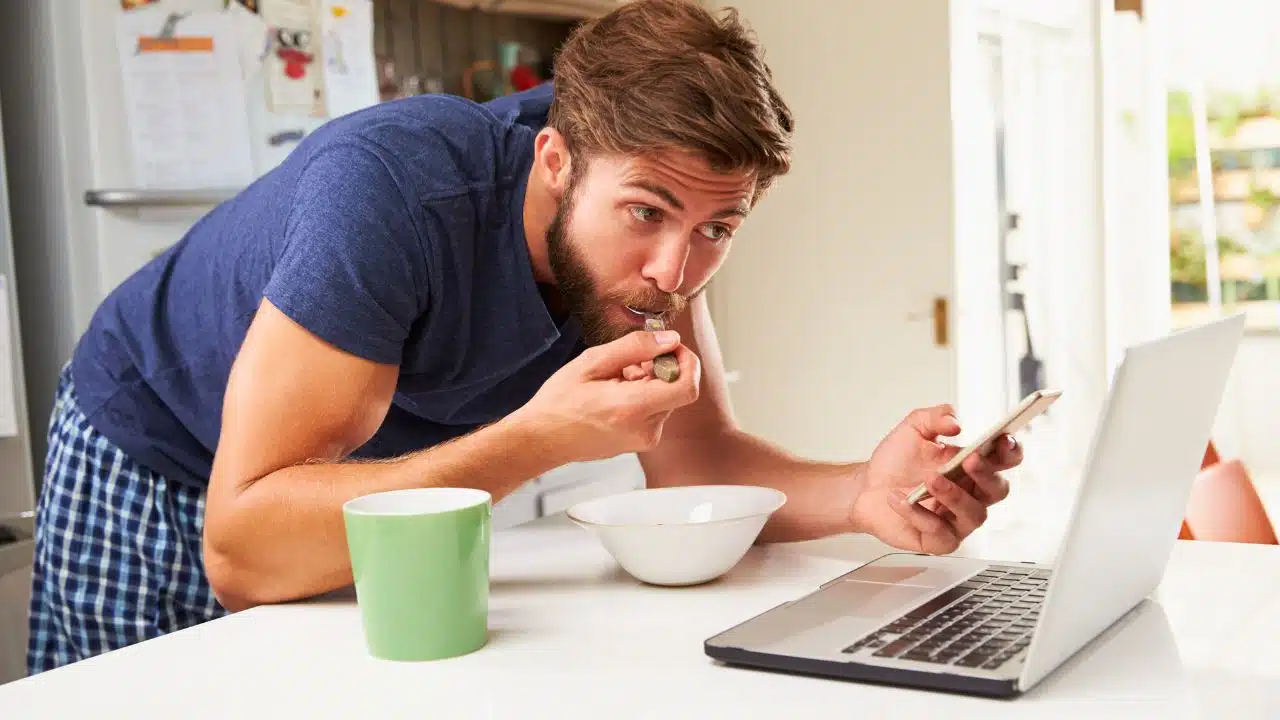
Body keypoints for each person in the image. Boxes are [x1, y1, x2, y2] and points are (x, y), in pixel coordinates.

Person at [26, 0, 1022, 675]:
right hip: (159, 454)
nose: (676, 271)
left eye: (718, 226)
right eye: (647, 212)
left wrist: (860, 493)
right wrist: (540, 436)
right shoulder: (390, 197)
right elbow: (243, 548)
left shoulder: (651, 243)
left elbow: (698, 462)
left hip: (342, 485)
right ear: (554, 159)